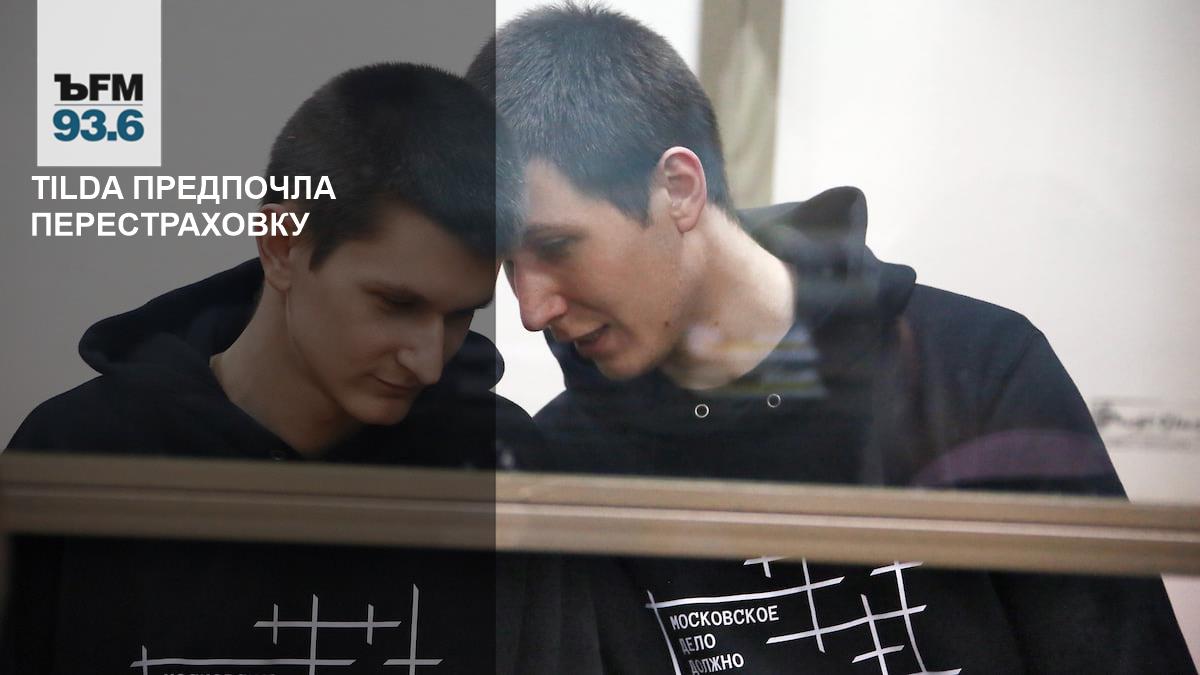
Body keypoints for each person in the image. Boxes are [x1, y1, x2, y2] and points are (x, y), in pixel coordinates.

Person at [468, 5, 1195, 673]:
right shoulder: (568, 462)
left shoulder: (975, 372)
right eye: (507, 262)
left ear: (679, 188)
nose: (529, 308)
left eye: (556, 246)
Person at [3, 63, 539, 674]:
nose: (429, 361)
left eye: (460, 315)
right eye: (396, 304)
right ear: (281, 246)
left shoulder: (502, 463)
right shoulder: (76, 455)